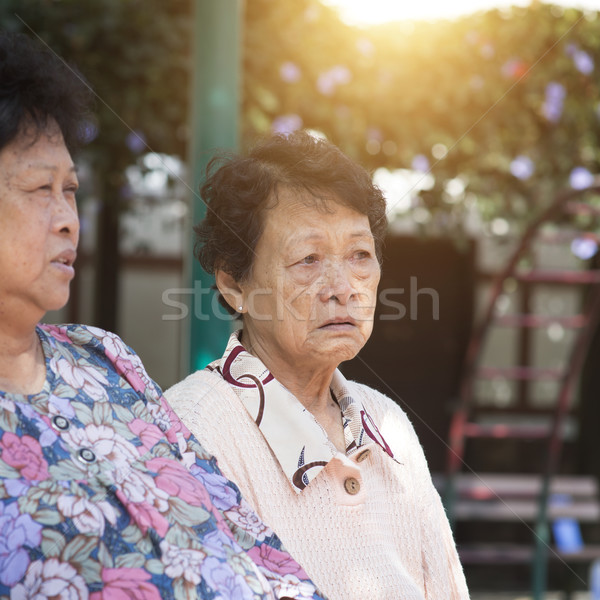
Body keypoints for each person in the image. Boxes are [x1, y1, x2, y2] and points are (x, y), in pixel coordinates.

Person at [0, 32, 325, 600]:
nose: (67, 220)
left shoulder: (104, 360)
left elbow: (243, 531)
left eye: (70, 190)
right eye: (38, 189)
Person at [166, 132, 470, 600]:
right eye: (308, 259)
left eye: (359, 255)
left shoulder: (388, 425)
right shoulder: (191, 430)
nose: (342, 286)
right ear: (233, 286)